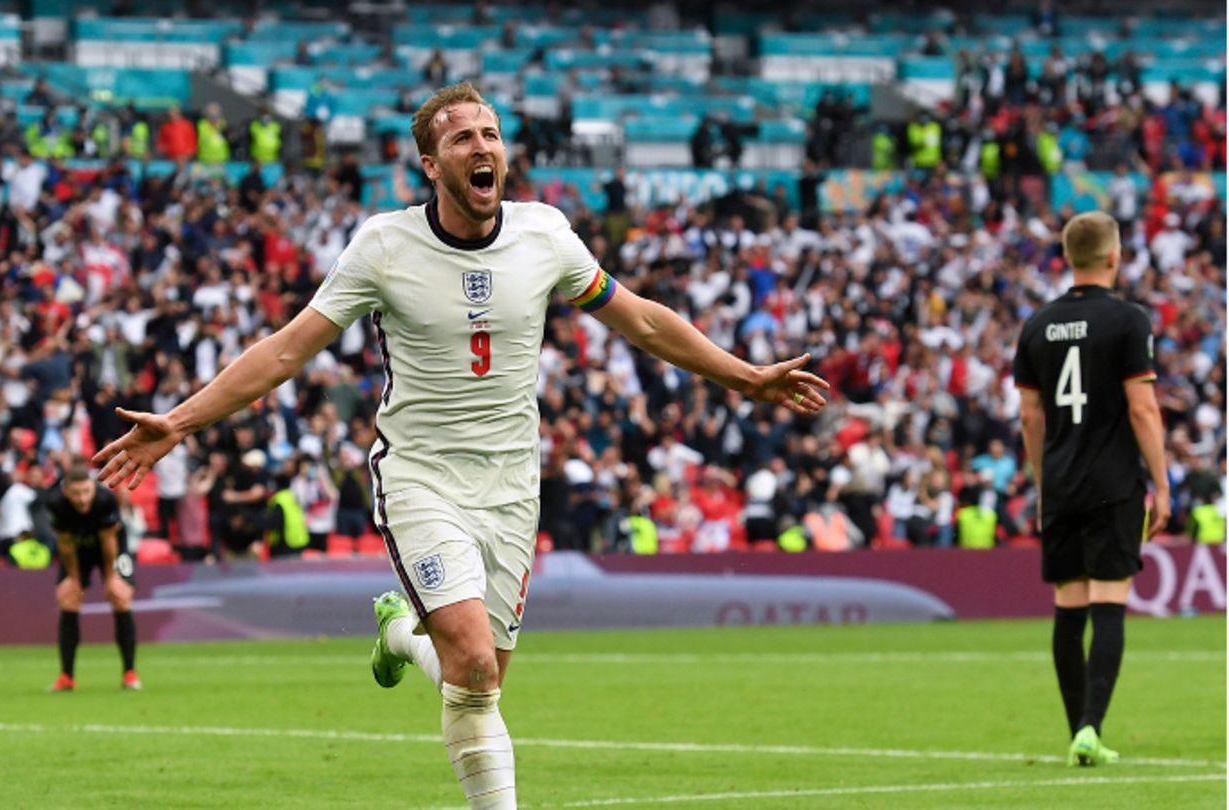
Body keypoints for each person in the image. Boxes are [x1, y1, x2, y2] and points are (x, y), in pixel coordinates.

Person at [91, 82, 827, 809]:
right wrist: (179, 423)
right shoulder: (384, 246)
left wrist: (744, 376)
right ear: (430, 165)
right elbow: (287, 351)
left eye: (492, 135)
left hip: (512, 486)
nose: (483, 148)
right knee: (473, 664)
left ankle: (402, 633)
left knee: (481, 679)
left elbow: (641, 321)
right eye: (462, 138)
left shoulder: (545, 234)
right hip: (420, 477)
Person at [1013, 210, 1169, 768]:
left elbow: (1031, 417)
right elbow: (1142, 408)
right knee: (1109, 602)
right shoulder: (1128, 321)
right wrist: (1164, 484)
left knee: (1067, 605)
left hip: (1060, 483)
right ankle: (1090, 727)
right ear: (1113, 256)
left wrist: (1042, 485)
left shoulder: (1036, 325)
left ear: (1066, 256)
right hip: (1112, 483)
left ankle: (1080, 731)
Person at [42, 463, 141, 692]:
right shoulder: (56, 503)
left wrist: (110, 579)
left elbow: (108, 543)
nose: (83, 499)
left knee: (120, 596)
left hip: (112, 546)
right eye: (76, 493)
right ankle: (67, 677)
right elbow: (65, 545)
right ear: (66, 491)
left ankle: (129, 673)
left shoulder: (105, 500)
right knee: (68, 598)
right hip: (77, 549)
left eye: (87, 491)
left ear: (93, 488)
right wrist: (75, 581)